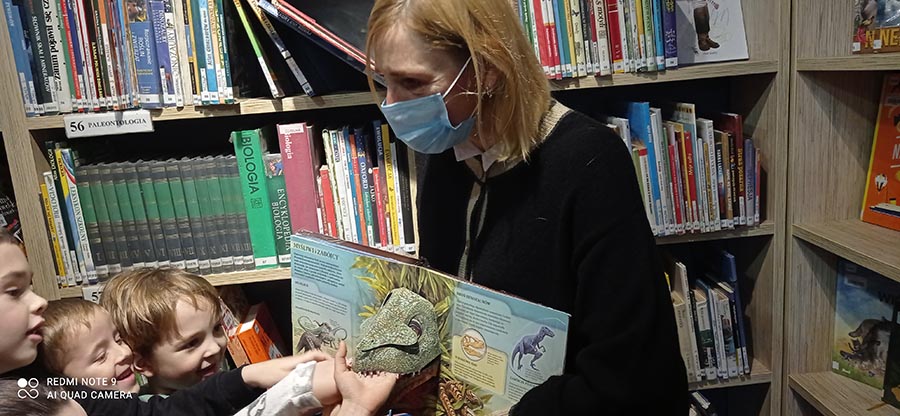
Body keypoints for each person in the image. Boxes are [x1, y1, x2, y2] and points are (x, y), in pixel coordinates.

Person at [365, 0, 688, 414]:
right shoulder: (444, 148)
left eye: (412, 82)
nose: (392, 105)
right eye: (385, 81)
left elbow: (630, 374)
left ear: (487, 70)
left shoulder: (588, 162)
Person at [0, 228, 396, 416]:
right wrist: (343, 403)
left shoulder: (45, 388)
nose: (38, 301)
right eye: (13, 291)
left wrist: (254, 377)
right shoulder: (45, 394)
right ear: (145, 361)